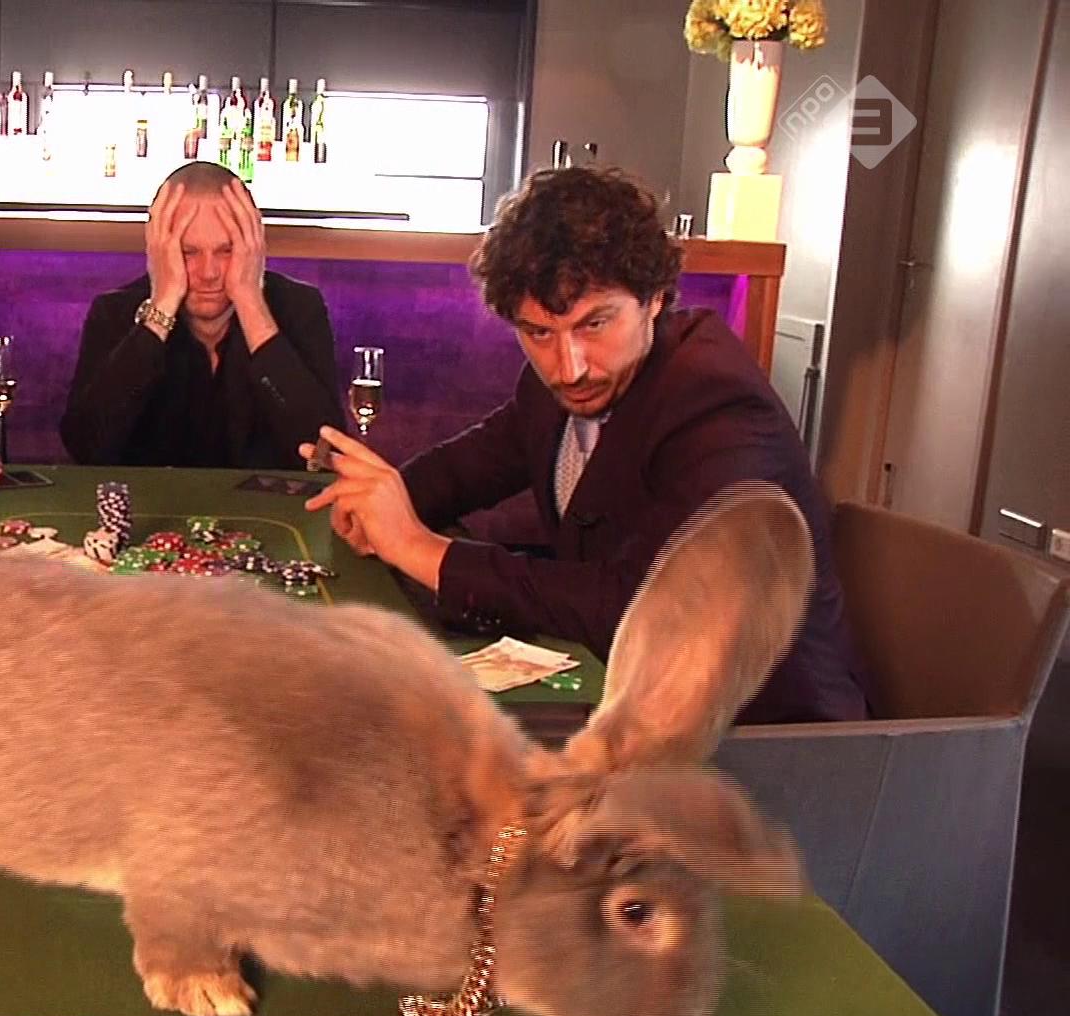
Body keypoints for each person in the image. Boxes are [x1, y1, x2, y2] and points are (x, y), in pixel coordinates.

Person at [304, 167, 867, 725]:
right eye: (539, 333)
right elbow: (474, 463)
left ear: (654, 298)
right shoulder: (561, 385)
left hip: (772, 738)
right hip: (647, 702)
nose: (568, 367)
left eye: (595, 324)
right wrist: (380, 496)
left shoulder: (715, 405)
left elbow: (634, 606)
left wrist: (419, 548)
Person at [60, 162, 344, 469]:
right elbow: (86, 447)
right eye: (188, 252)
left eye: (226, 250)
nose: (209, 273)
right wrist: (161, 309)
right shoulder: (115, 312)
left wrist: (251, 303)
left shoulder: (299, 308)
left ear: (253, 247)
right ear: (158, 250)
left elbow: (324, 454)